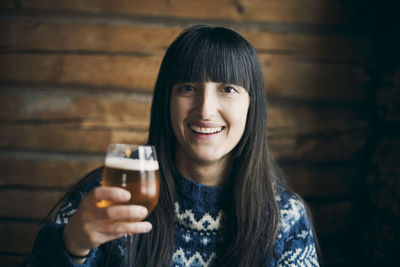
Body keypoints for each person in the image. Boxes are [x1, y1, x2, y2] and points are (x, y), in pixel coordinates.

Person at [21, 25, 321, 267]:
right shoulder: (108, 199)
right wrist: (71, 246)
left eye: (227, 89)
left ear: (252, 107)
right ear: (167, 101)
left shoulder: (285, 218)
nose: (205, 110)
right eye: (188, 88)